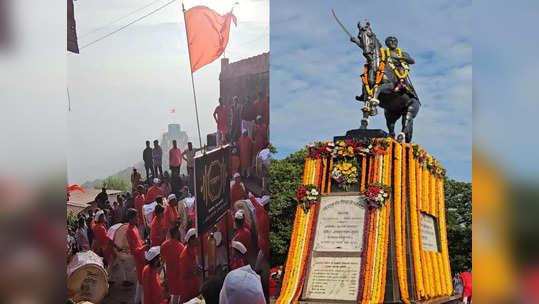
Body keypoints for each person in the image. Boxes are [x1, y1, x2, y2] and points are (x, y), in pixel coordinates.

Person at [125, 208, 149, 304]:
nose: (137, 219)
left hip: (142, 255)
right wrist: (144, 247)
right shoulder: (129, 231)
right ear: (130, 219)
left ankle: (137, 301)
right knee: (142, 282)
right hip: (139, 258)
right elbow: (134, 250)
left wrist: (144, 243)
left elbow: (138, 242)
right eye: (136, 217)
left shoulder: (134, 228)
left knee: (141, 282)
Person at [250, 194, 270, 302]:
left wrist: (251, 196)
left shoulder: (259, 210)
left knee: (260, 255)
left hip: (261, 239)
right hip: (264, 241)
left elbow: (254, 202)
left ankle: (257, 270)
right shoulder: (265, 217)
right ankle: (257, 272)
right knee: (262, 254)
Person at [161, 226, 185, 304]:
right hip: (178, 275)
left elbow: (162, 260)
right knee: (177, 295)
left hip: (169, 274)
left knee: (173, 293)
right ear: (175, 233)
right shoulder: (181, 246)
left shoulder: (164, 245)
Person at [179, 228, 201, 302]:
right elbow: (184, 275)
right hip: (188, 288)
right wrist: (195, 273)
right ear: (191, 241)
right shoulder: (184, 256)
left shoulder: (193, 249)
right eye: (196, 239)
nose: (198, 240)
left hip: (194, 285)